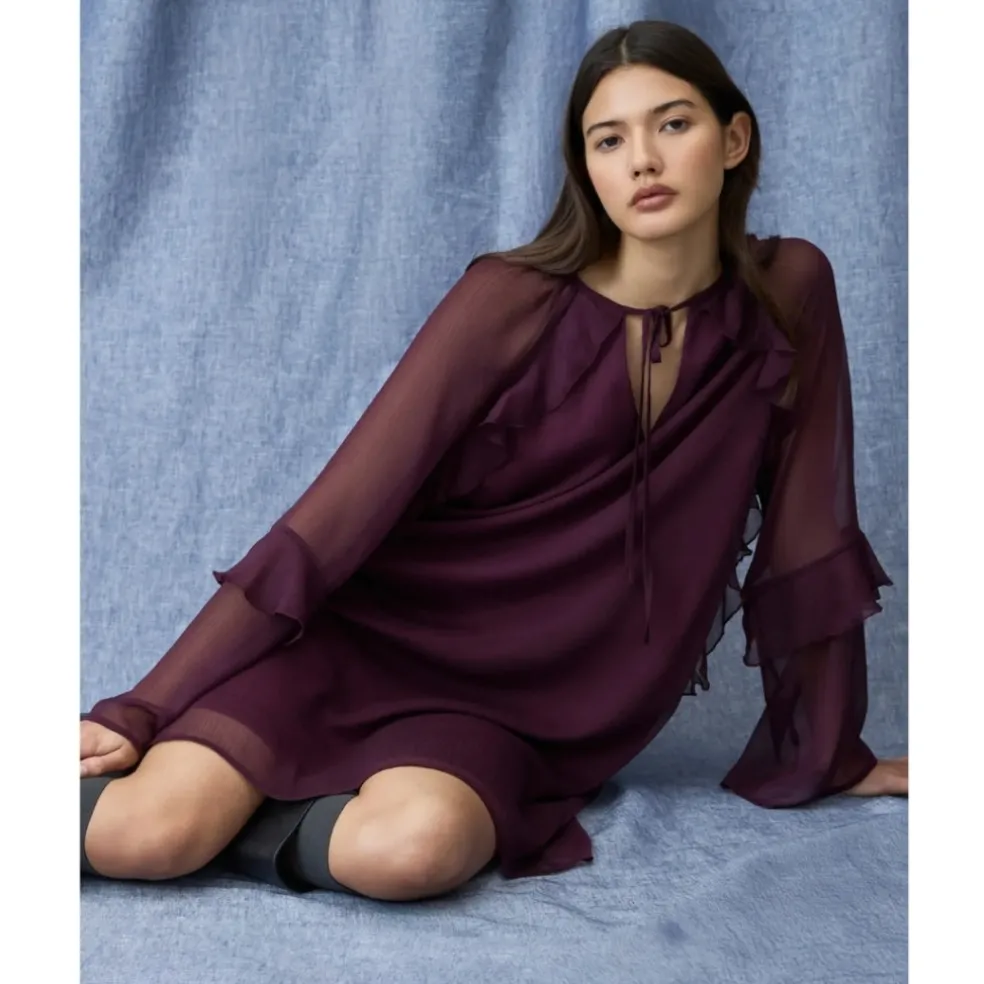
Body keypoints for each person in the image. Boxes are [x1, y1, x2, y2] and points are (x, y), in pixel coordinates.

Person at [79, 19, 908, 904]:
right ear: (585, 167)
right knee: (145, 836)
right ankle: (193, 805)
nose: (643, 161)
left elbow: (807, 533)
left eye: (673, 124)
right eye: (609, 139)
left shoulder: (790, 290)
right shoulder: (511, 300)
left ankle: (251, 811)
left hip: (532, 709)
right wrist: (144, 707)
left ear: (734, 139)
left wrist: (826, 748)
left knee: (404, 856)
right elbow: (328, 524)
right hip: (370, 646)